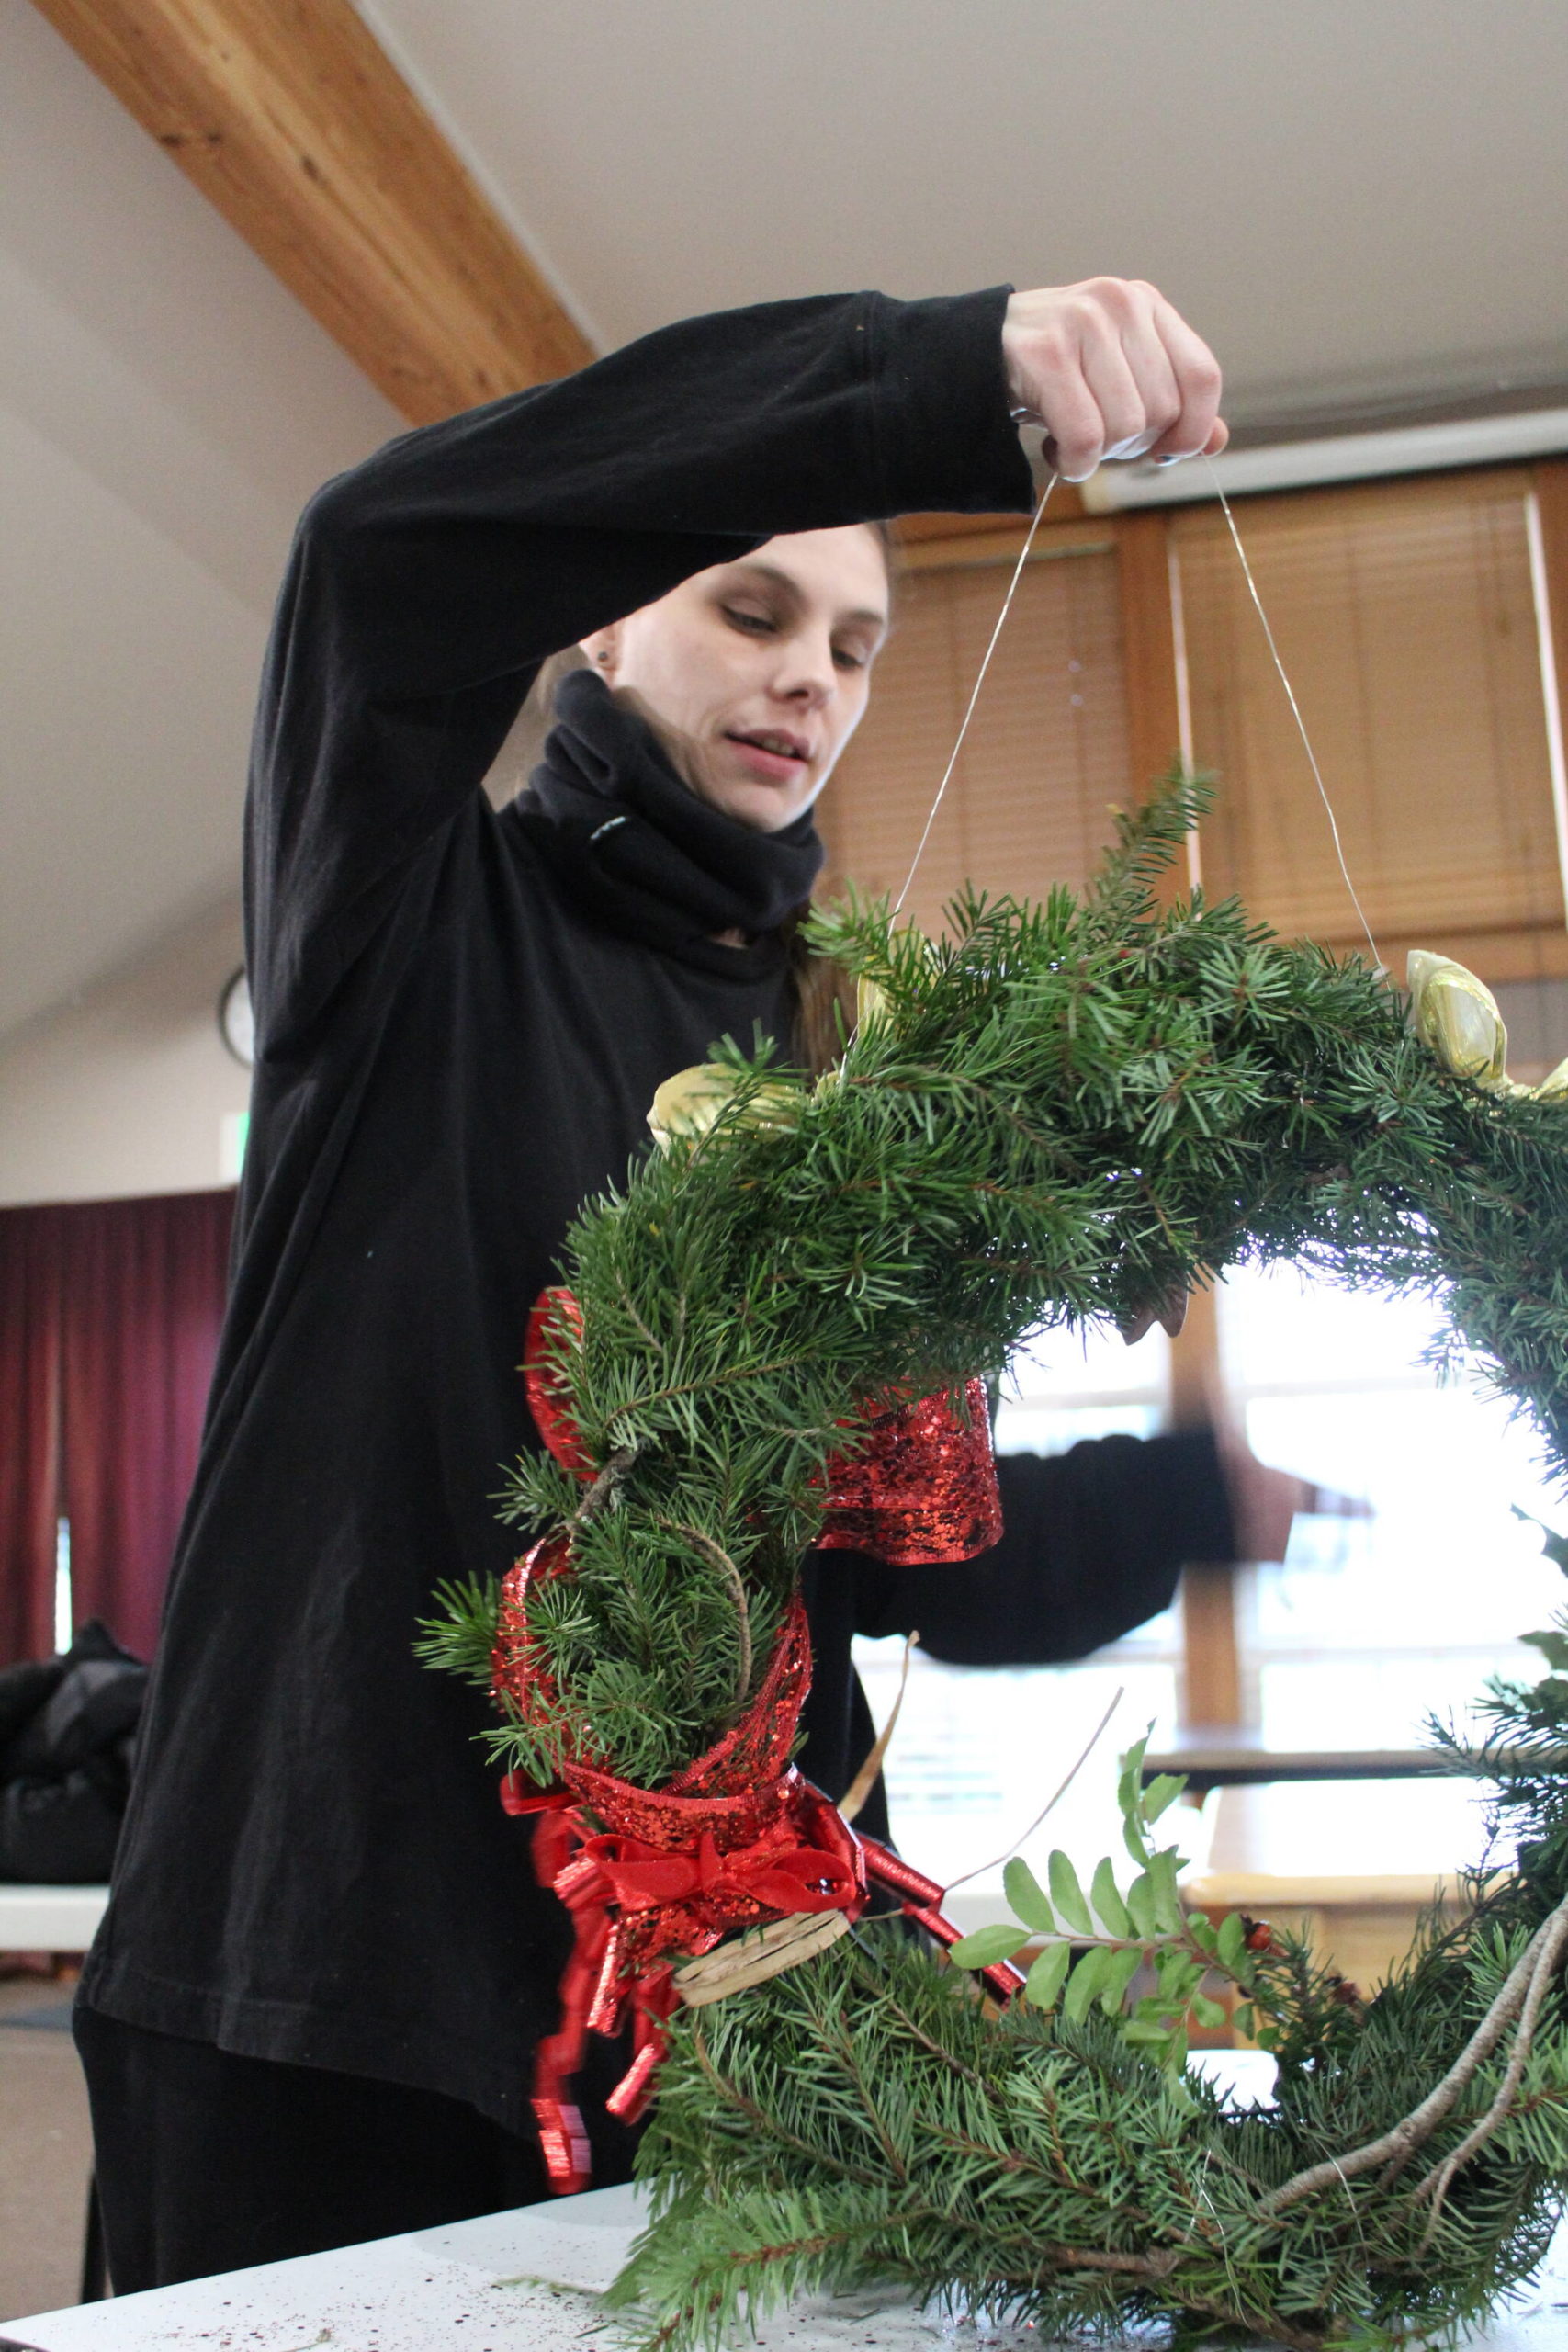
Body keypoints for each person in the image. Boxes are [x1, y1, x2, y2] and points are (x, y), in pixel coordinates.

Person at [75, 276, 1289, 2291]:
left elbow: (893, 1553)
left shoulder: (834, 1076)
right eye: (747, 604)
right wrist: (925, 383)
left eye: (853, 645)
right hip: (311, 1987)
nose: (806, 673)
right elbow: (371, 564)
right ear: (606, 611)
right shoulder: (400, 924)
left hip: (692, 2020)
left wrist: (1178, 1502)